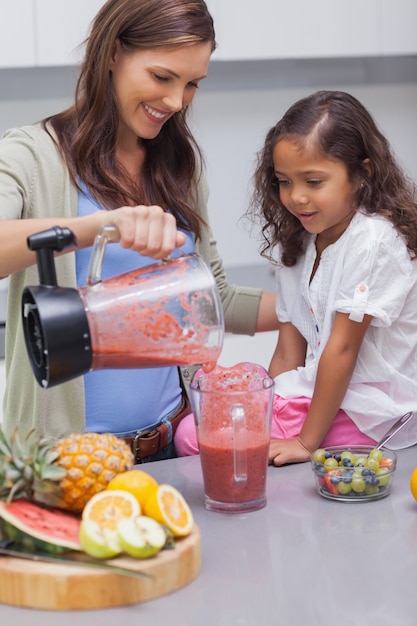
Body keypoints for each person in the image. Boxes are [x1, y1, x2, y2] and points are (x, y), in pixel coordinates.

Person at [0, 0, 278, 462]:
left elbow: (212, 301)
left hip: (175, 443)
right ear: (112, 54)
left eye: (192, 84)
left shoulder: (178, 168)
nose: (175, 101)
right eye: (162, 77)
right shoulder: (32, 155)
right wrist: (97, 227)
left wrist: (311, 302)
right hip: (66, 461)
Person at [175, 89, 417, 464]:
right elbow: (289, 352)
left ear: (362, 174)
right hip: (323, 393)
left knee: (198, 437)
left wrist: (304, 443)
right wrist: (263, 414)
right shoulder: (301, 240)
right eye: (284, 181)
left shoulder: (372, 240)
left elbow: (342, 349)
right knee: (216, 417)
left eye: (313, 182)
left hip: (374, 411)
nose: (296, 197)